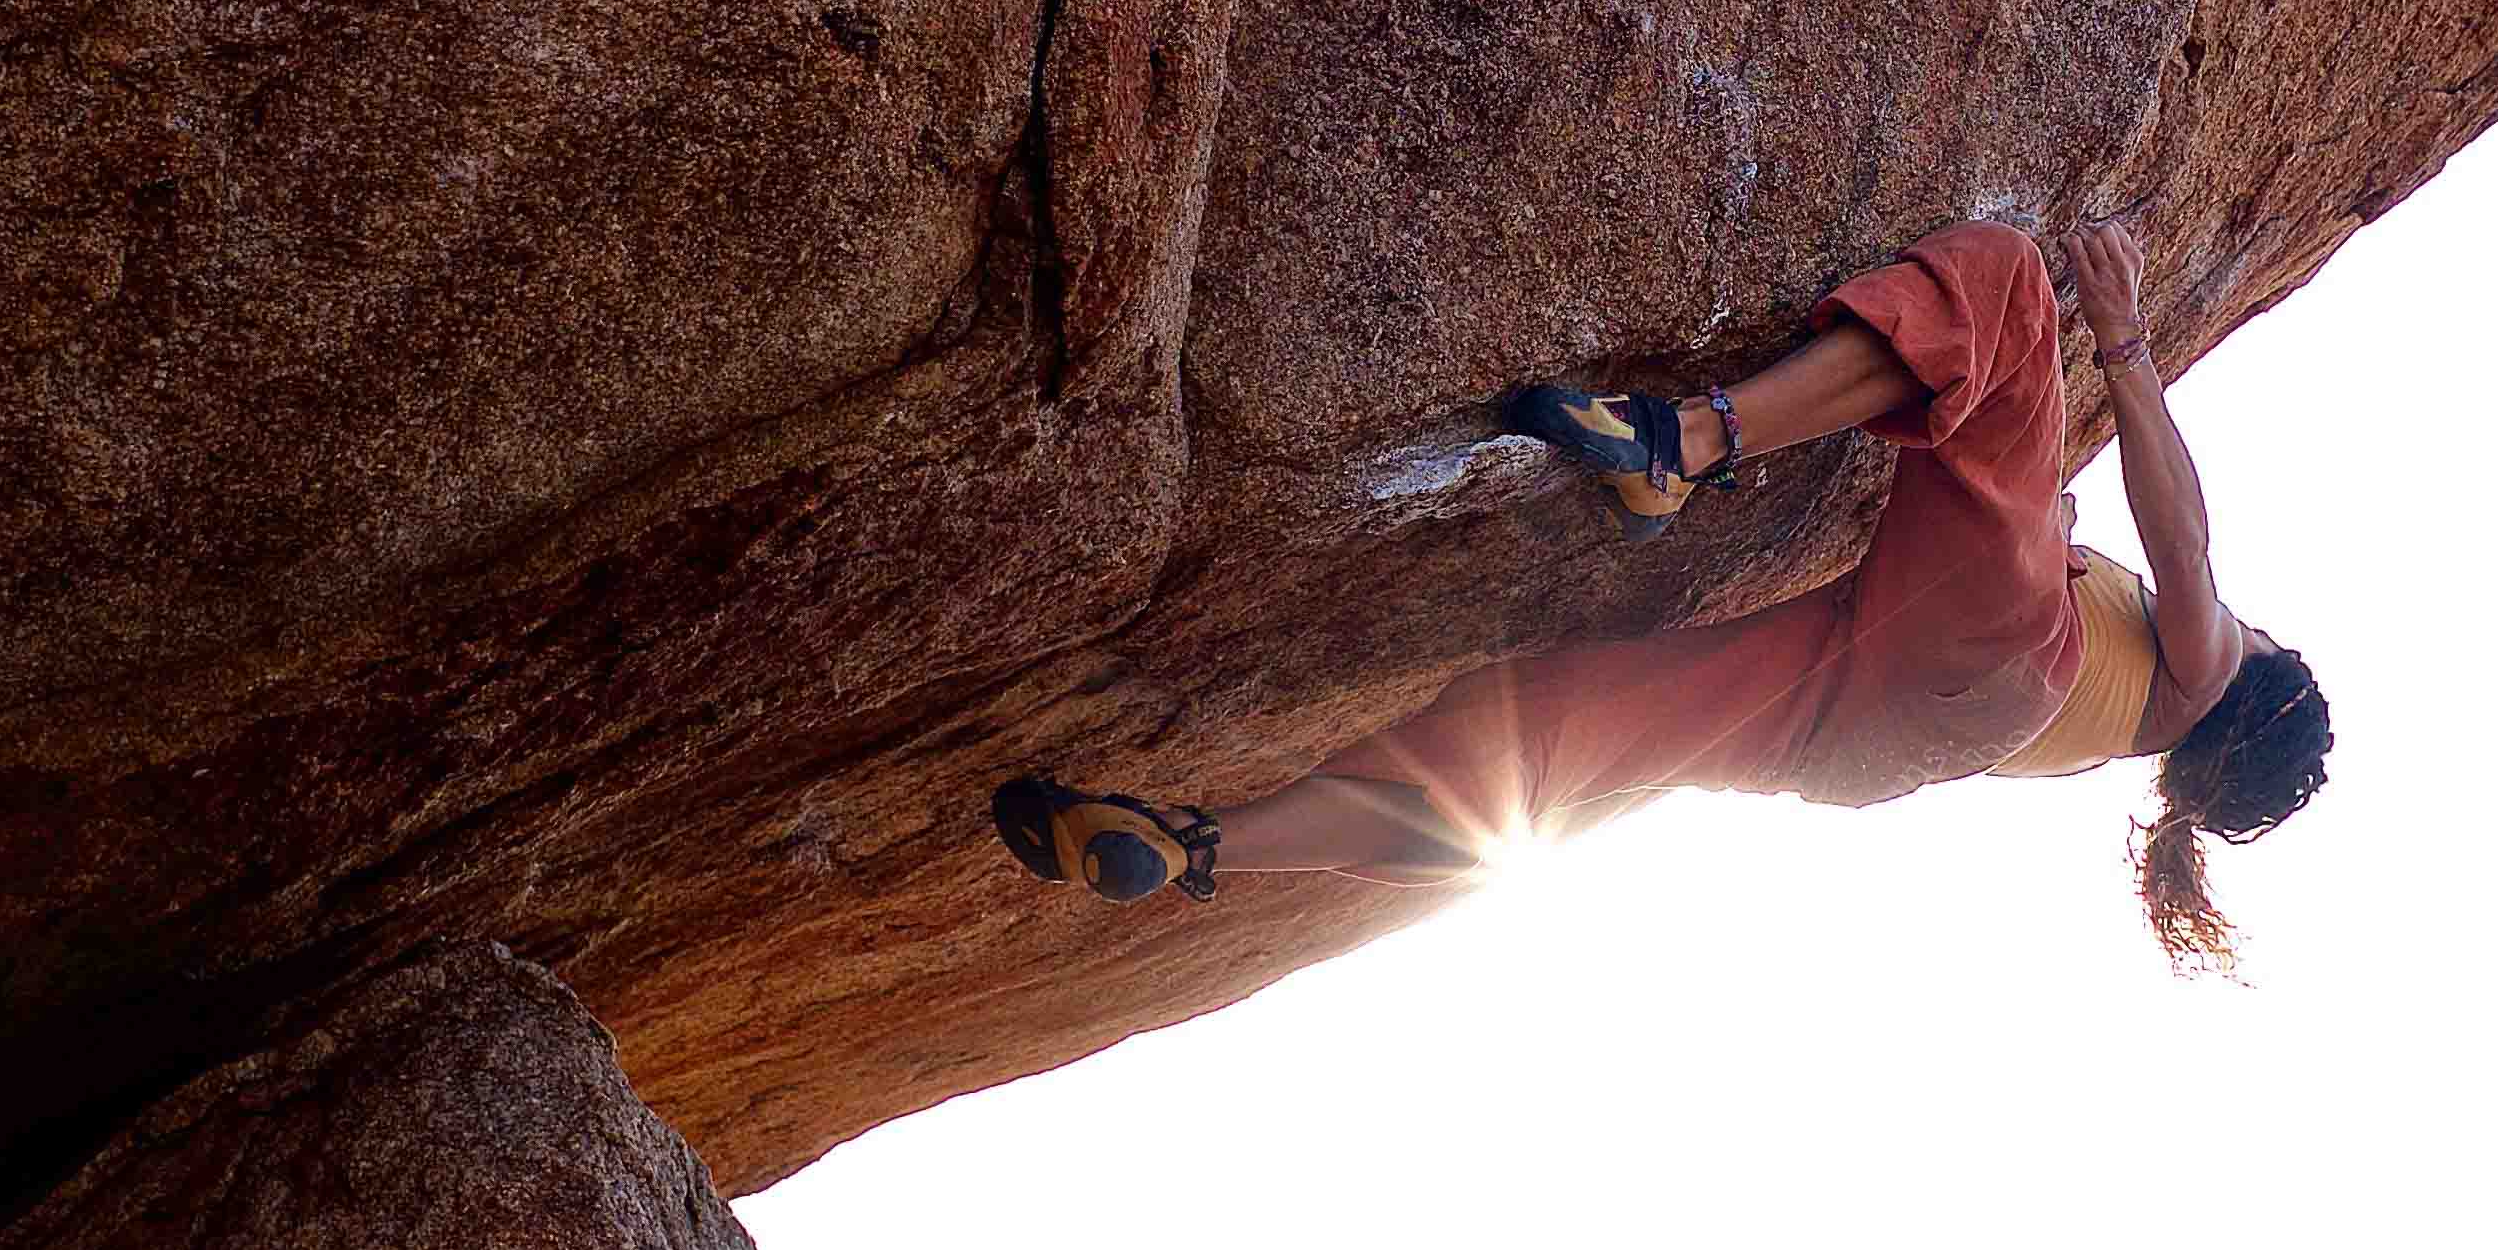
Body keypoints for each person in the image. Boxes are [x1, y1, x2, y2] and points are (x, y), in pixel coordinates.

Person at [994, 217, 2333, 971]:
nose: (2228, 620)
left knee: (2002, 293)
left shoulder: (2200, 671)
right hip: (1866, 742)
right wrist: (2041, 519)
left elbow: (2189, 550)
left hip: (1974, 656)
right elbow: (1974, 629)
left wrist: (2127, 338)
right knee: (1543, 744)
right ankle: (1201, 846)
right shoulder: (2112, 721)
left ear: (2251, 684)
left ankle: (1687, 442)